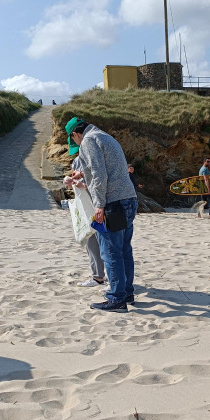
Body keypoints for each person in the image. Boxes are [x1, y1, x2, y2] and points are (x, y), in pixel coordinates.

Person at [66, 117, 138, 312]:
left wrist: (99, 204)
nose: (77, 144)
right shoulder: (106, 137)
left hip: (113, 202)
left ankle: (116, 299)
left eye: (74, 140)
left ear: (76, 134)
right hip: (129, 198)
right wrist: (82, 174)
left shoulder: (88, 141)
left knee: (110, 251)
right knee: (124, 250)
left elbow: (99, 175)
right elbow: (110, 168)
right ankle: (127, 293)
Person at [66, 138, 106, 288]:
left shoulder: (94, 158)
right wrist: (71, 183)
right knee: (93, 241)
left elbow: (101, 182)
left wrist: (83, 185)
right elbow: (76, 185)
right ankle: (99, 276)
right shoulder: (78, 160)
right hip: (87, 205)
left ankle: (101, 277)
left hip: (98, 205)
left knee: (101, 241)